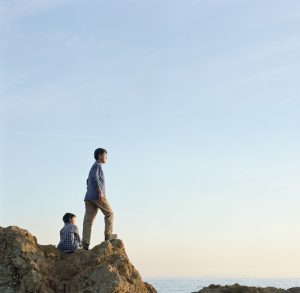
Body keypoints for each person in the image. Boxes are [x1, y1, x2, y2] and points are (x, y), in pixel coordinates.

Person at [82, 148, 117, 250]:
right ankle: (108, 236)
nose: (107, 157)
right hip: (97, 196)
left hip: (89, 197)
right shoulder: (97, 165)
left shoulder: (93, 166)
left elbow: (88, 180)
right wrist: (99, 190)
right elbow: (93, 178)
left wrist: (90, 189)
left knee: (88, 221)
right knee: (109, 213)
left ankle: (85, 244)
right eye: (106, 155)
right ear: (100, 155)